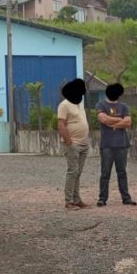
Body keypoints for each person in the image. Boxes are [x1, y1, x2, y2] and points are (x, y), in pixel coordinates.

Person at [95, 83, 136, 206]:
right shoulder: (101, 104)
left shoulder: (124, 106)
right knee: (105, 173)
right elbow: (103, 119)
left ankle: (126, 198)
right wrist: (120, 120)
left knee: (122, 172)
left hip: (121, 145)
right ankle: (102, 198)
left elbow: (128, 122)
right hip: (107, 145)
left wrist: (111, 123)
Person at [57, 79, 91, 210]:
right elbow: (61, 124)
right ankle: (68, 201)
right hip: (73, 144)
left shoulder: (79, 104)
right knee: (73, 171)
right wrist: (68, 141)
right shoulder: (64, 105)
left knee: (78, 172)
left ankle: (77, 199)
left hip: (83, 144)